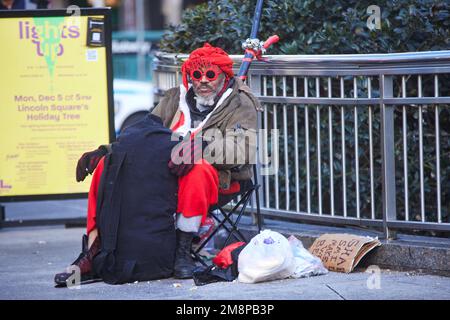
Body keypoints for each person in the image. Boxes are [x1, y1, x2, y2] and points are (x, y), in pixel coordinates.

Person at [54, 43, 261, 285]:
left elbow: (243, 149)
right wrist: (106, 150)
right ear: (189, 76)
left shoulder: (241, 102)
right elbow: (144, 133)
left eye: (211, 74)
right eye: (197, 74)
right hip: (164, 175)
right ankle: (94, 250)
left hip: (220, 180)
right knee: (108, 165)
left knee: (197, 167)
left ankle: (183, 251)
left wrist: (202, 147)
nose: (203, 80)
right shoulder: (175, 97)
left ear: (224, 76)